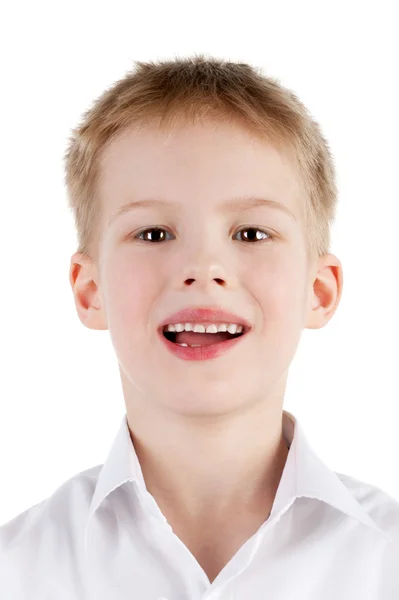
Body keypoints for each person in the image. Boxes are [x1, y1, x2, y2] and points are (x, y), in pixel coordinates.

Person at [1, 54, 398, 599]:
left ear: (319, 290)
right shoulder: (18, 568)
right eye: (155, 234)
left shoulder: (385, 559)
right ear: (90, 291)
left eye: (252, 234)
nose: (204, 269)